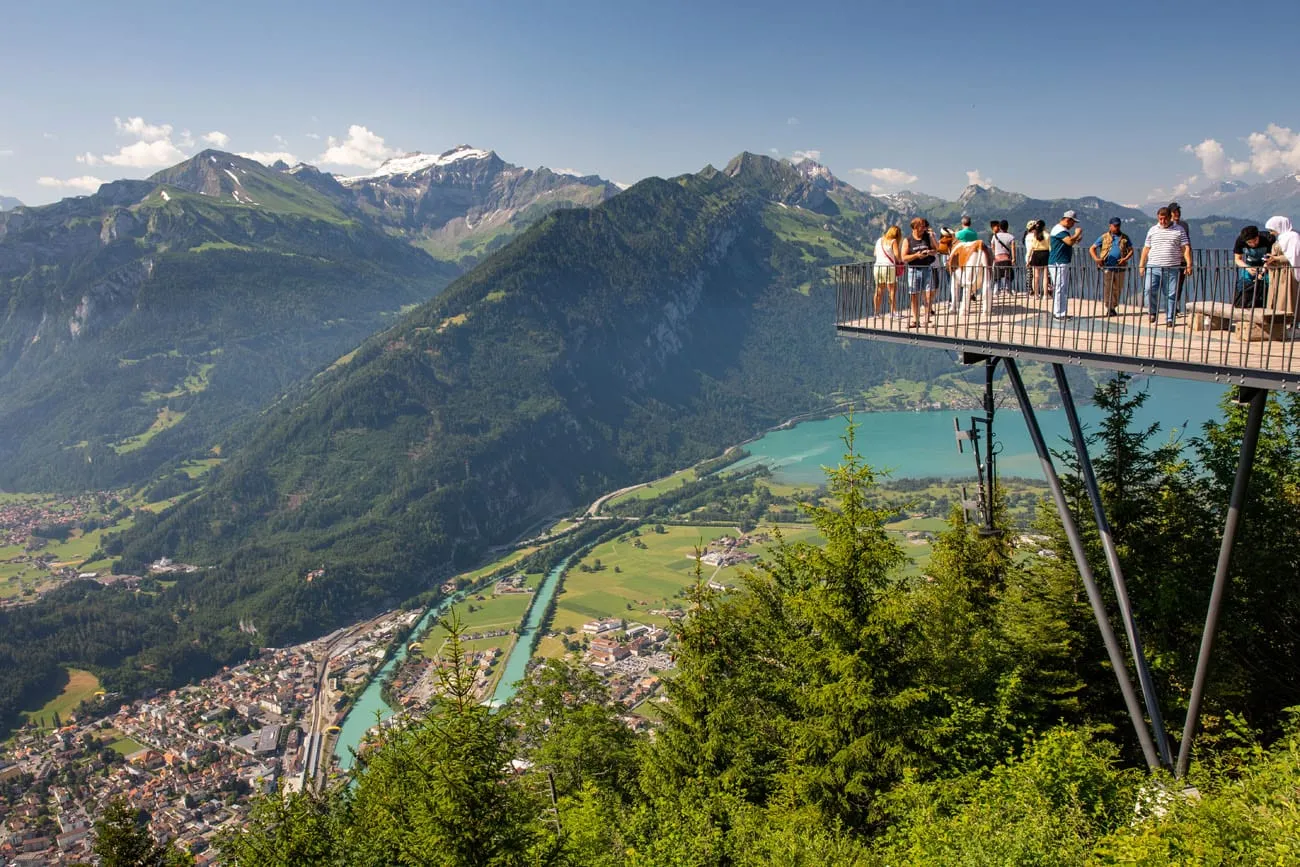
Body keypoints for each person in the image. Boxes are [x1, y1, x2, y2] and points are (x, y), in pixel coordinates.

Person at [1138, 206, 1192, 326]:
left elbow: (1185, 248)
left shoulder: (1179, 230)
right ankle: (1152, 312)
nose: (1162, 222)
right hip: (1153, 266)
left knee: (1171, 293)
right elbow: (1146, 248)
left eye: (1164, 219)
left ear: (1170, 218)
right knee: (1148, 289)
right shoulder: (1152, 230)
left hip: (1172, 266)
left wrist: (1189, 264)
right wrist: (1141, 264)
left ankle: (1170, 318)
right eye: (1160, 219)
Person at [1089, 217, 1133, 316]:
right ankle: (1110, 308)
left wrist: (1125, 259)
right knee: (1108, 288)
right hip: (1107, 267)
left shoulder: (1125, 238)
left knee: (1118, 288)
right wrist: (1097, 259)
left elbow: (1131, 250)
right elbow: (1092, 248)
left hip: (1120, 267)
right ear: (1110, 226)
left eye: (1118, 225)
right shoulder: (1104, 237)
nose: (1116, 228)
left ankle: (1114, 305)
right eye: (1115, 226)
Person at [902, 217, 939, 328]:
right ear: (915, 227)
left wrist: (930, 251)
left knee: (928, 295)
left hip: (927, 268)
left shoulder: (928, 237)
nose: (924, 228)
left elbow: (937, 249)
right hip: (913, 270)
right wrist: (917, 255)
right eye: (922, 226)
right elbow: (904, 257)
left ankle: (927, 319)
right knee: (914, 294)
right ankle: (915, 319)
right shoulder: (907, 240)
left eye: (924, 226)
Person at [1048, 210, 1084, 320]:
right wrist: (1077, 233)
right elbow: (1068, 242)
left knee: (1062, 287)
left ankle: (1060, 312)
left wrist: (1076, 239)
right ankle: (1059, 313)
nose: (1073, 225)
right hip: (1058, 262)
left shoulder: (1061, 230)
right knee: (1060, 287)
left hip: (1061, 261)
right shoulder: (1059, 229)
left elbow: (1068, 242)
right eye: (1073, 223)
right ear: (1068, 220)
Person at [948, 227, 991, 316]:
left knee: (966, 283)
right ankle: (986, 309)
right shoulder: (974, 233)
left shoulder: (958, 236)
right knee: (986, 281)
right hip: (980, 251)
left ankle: (961, 308)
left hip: (969, 253)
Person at [1264, 216, 1300, 322]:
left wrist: (1275, 258)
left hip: (1288, 271)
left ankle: (1290, 322)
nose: (1271, 233)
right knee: (1278, 297)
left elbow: (1294, 256)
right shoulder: (1282, 237)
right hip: (1279, 271)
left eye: (1272, 230)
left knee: (1286, 297)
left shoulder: (1293, 237)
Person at [1232, 225, 1273, 308]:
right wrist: (1247, 268)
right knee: (1245, 281)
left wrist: (1262, 272)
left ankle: (1266, 305)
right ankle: (1246, 303)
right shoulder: (1240, 241)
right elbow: (1237, 259)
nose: (1253, 244)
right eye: (1249, 242)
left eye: (1255, 240)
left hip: (1267, 264)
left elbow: (1270, 258)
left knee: (1268, 282)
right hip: (1249, 264)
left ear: (1258, 235)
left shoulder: (1268, 239)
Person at [873, 225, 903, 318]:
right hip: (889, 267)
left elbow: (874, 253)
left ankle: (876, 312)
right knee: (892, 290)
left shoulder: (879, 240)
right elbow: (897, 255)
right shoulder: (893, 241)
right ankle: (893, 312)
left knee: (878, 290)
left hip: (877, 266)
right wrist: (901, 261)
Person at [1169, 202, 1192, 313]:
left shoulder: (1184, 225)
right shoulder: (1166, 225)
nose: (1177, 213)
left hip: (1182, 259)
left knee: (1179, 284)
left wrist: (1189, 262)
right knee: (1171, 284)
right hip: (1171, 259)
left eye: (1178, 211)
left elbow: (1187, 243)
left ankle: (1176, 306)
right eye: (1175, 212)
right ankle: (1171, 306)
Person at [1025, 219, 1051, 298]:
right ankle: (1045, 295)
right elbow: (1050, 247)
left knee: (1036, 276)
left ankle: (1036, 294)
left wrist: (1028, 258)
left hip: (1036, 254)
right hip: (1045, 254)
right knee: (1045, 276)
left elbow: (1030, 248)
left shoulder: (1034, 235)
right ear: (1044, 227)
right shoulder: (1047, 235)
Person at [990, 219, 1016, 295]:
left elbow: (992, 246)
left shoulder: (995, 236)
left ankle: (997, 290)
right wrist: (1014, 258)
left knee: (997, 275)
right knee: (1008, 275)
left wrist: (994, 254)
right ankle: (1008, 289)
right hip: (1007, 258)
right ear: (1007, 227)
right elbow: (1013, 248)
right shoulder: (1011, 237)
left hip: (997, 259)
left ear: (1000, 227)